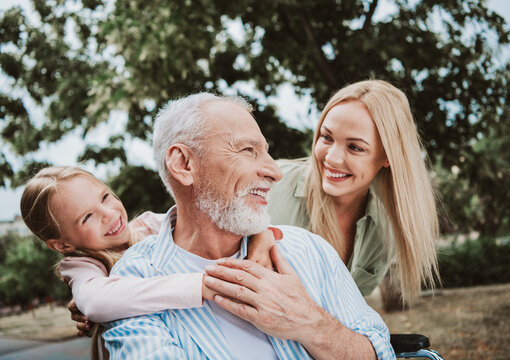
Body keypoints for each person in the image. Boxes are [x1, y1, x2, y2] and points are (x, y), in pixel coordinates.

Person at [102, 92, 394, 359]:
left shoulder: (308, 249)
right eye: (247, 150)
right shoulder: (132, 281)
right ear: (184, 164)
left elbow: (381, 353)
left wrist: (311, 324)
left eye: (266, 152)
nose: (274, 171)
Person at [19, 166, 278, 327]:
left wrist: (261, 238)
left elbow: (227, 225)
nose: (108, 213)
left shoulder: (155, 225)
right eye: (87, 217)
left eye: (105, 197)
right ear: (62, 244)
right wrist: (202, 285)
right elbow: (97, 302)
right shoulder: (85, 265)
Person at [266, 80, 440, 303]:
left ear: (388, 156)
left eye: (355, 147)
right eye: (326, 137)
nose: (332, 158)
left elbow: (345, 313)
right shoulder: (271, 185)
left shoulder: (385, 231)